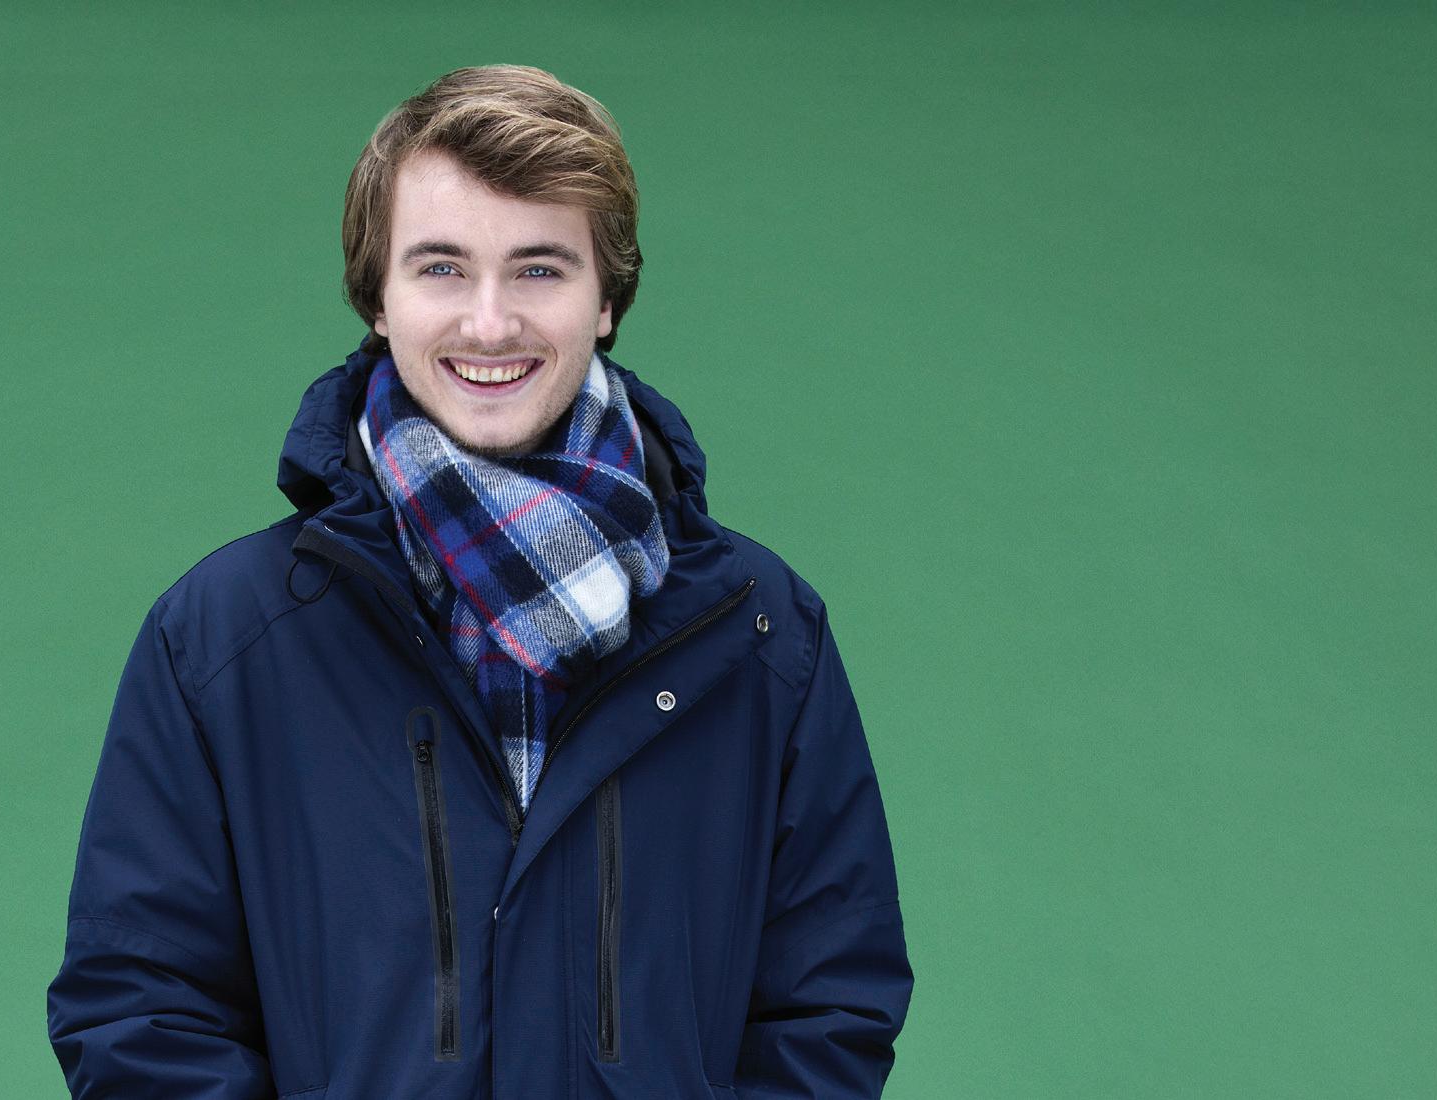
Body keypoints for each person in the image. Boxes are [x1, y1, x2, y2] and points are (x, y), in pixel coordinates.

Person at [46, 64, 913, 1098]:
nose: (490, 323)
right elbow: (140, 1008)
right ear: (377, 298)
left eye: (539, 269)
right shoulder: (224, 635)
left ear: (606, 299)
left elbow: (830, 1002)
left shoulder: (760, 631)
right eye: (441, 268)